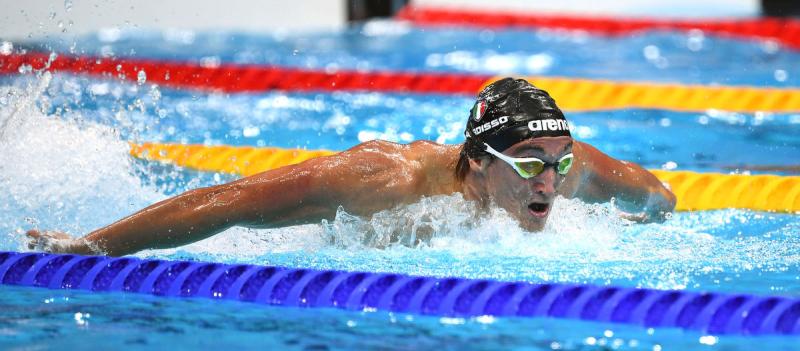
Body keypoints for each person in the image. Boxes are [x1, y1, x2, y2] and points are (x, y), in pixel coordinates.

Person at [26, 78, 676, 256]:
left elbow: (657, 195)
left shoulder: (567, 168)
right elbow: (227, 202)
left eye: (558, 166)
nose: (549, 183)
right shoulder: (381, 181)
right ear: (477, 163)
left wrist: (647, 216)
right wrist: (96, 244)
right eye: (531, 165)